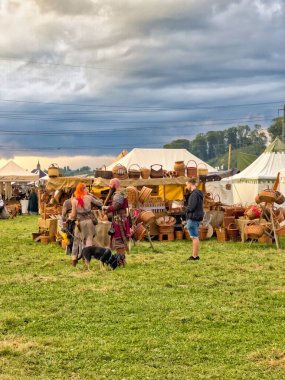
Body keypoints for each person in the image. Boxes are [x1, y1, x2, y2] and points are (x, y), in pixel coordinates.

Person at [69, 183, 103, 267]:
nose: (87, 190)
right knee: (88, 242)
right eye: (86, 188)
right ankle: (87, 262)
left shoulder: (74, 200)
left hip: (80, 224)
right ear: (84, 189)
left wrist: (70, 217)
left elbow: (73, 215)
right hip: (89, 222)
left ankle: (74, 261)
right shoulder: (89, 197)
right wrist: (93, 195)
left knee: (76, 242)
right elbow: (100, 203)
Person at [102, 178, 131, 266]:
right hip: (120, 219)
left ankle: (120, 261)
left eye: (110, 184)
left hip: (119, 221)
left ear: (114, 184)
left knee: (119, 241)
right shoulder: (121, 193)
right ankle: (122, 261)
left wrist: (105, 208)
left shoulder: (118, 194)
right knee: (120, 241)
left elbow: (115, 207)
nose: (109, 186)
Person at [185, 178, 204, 261]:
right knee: (195, 237)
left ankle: (195, 256)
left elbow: (191, 207)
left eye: (186, 185)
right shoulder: (198, 193)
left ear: (190, 184)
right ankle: (195, 255)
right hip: (196, 217)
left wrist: (184, 208)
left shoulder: (194, 194)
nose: (186, 186)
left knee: (194, 237)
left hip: (193, 217)